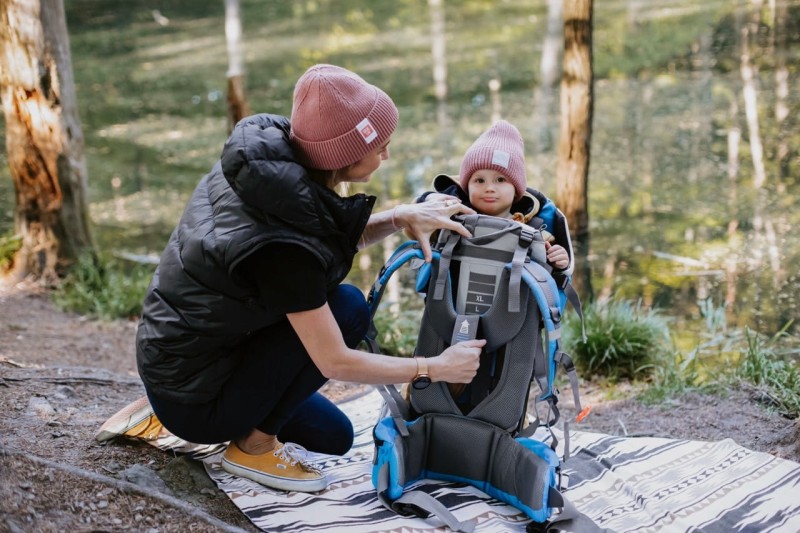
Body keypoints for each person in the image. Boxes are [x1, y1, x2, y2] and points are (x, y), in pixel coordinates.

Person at [96, 64, 485, 493]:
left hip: (181, 357)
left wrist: (397, 217)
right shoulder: (282, 247)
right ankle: (252, 447)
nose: (387, 155)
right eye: (381, 147)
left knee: (332, 437)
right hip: (196, 393)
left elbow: (314, 243)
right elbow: (333, 359)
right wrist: (434, 368)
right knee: (349, 309)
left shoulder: (265, 166)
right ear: (344, 155)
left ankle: (164, 408)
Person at [416, 119, 570, 271]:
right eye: (479, 180)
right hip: (452, 295)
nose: (489, 188)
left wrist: (559, 262)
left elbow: (548, 272)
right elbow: (414, 225)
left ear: (517, 190)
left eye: (500, 180)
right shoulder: (452, 218)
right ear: (467, 187)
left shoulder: (534, 229)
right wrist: (429, 200)